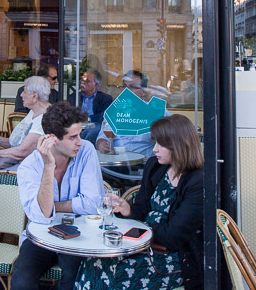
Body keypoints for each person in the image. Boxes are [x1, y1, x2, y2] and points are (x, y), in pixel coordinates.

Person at [77, 115, 206, 290]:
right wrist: (127, 208)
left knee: (116, 273)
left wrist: (141, 228)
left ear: (178, 145)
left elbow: (174, 236)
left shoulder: (198, 181)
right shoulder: (156, 166)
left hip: (176, 257)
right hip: (143, 244)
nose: (154, 149)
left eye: (160, 144)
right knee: (94, 260)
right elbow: (143, 208)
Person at [10, 102, 104, 290]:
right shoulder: (30, 166)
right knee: (22, 281)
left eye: (80, 134)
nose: (80, 141)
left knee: (73, 279)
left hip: (80, 234)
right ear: (52, 139)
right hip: (40, 235)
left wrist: (53, 205)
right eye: (73, 137)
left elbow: (93, 204)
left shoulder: (86, 150)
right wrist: (48, 167)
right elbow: (41, 216)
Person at [0, 76, 52, 169]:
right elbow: (17, 143)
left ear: (34, 96)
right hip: (17, 163)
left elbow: (22, 151)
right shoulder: (33, 112)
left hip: (28, 169)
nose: (21, 95)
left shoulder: (45, 118)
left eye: (24, 91)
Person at [97, 70, 168, 159]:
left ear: (143, 91)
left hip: (143, 164)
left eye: (132, 87)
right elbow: (102, 135)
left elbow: (177, 129)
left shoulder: (155, 110)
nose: (127, 91)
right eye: (124, 86)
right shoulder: (115, 109)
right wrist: (101, 143)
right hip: (116, 162)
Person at [78, 69, 113, 143]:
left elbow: (103, 115)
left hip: (93, 124)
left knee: (95, 129)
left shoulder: (105, 98)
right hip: (77, 124)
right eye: (82, 80)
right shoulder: (74, 96)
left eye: (87, 81)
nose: (82, 83)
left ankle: (84, 148)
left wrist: (88, 119)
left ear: (96, 84)